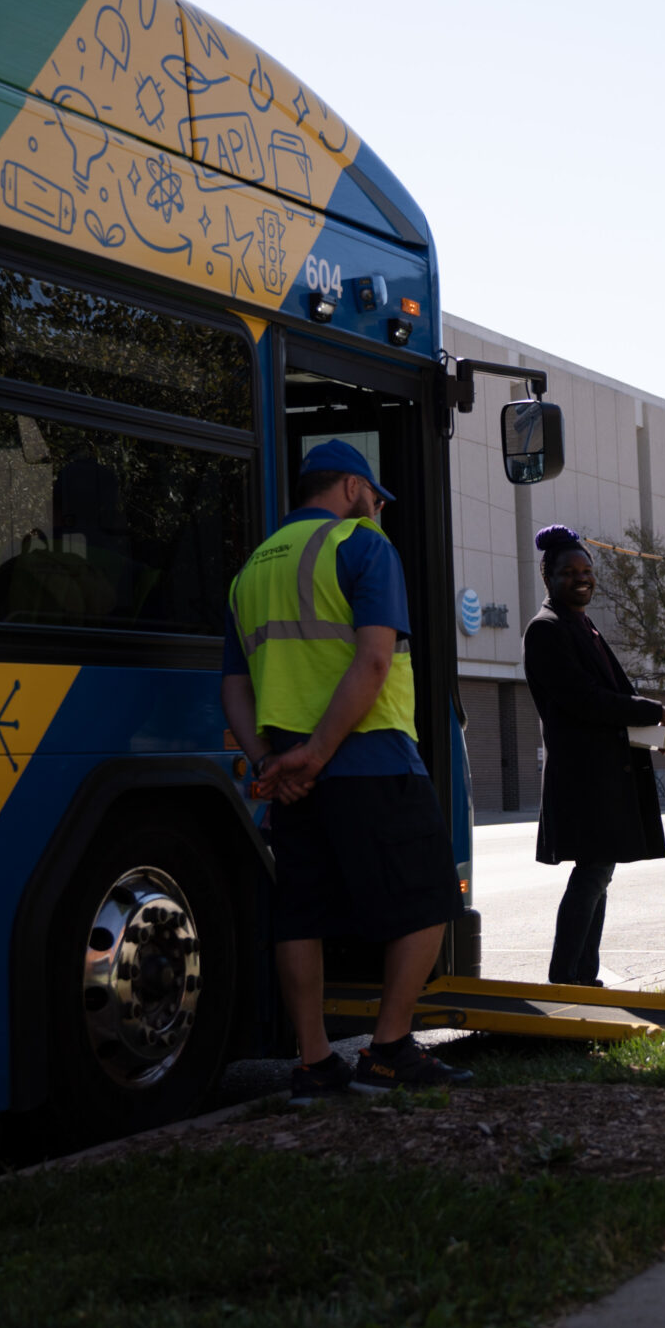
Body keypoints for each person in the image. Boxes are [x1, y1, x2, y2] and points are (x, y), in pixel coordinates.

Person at [219, 440, 470, 1096]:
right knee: (431, 895)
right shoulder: (361, 546)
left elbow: (234, 688)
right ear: (354, 488)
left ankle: (313, 1062)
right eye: (376, 496)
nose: (379, 507)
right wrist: (320, 750)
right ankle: (388, 1049)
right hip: (371, 756)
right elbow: (374, 662)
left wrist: (273, 761)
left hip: (295, 778)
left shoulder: (250, 571)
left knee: (301, 914)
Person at [523, 525, 665, 985]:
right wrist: (650, 708)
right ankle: (567, 979)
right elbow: (586, 699)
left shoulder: (582, 625)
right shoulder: (546, 630)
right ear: (547, 575)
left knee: (599, 873)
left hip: (604, 772)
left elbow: (617, 693)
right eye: (569, 571)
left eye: (587, 571)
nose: (582, 578)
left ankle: (583, 977)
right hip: (582, 777)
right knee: (593, 872)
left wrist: (663, 713)